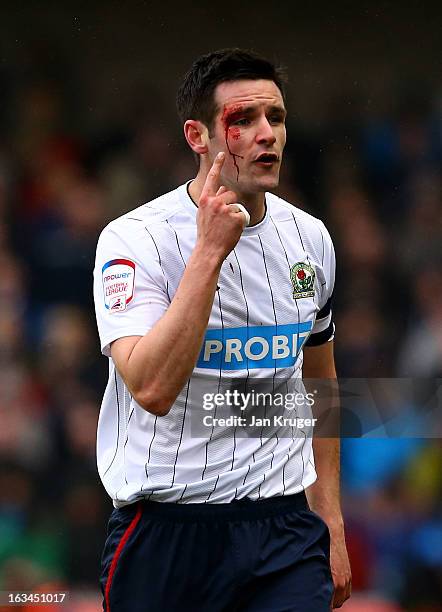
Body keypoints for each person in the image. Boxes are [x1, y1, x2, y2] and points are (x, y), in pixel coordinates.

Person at [93, 48, 351, 611]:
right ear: (198, 136)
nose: (268, 135)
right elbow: (152, 388)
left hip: (283, 531)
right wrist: (209, 251)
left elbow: (321, 383)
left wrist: (328, 515)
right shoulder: (134, 241)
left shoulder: (311, 239)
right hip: (166, 531)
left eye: (277, 118)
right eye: (244, 120)